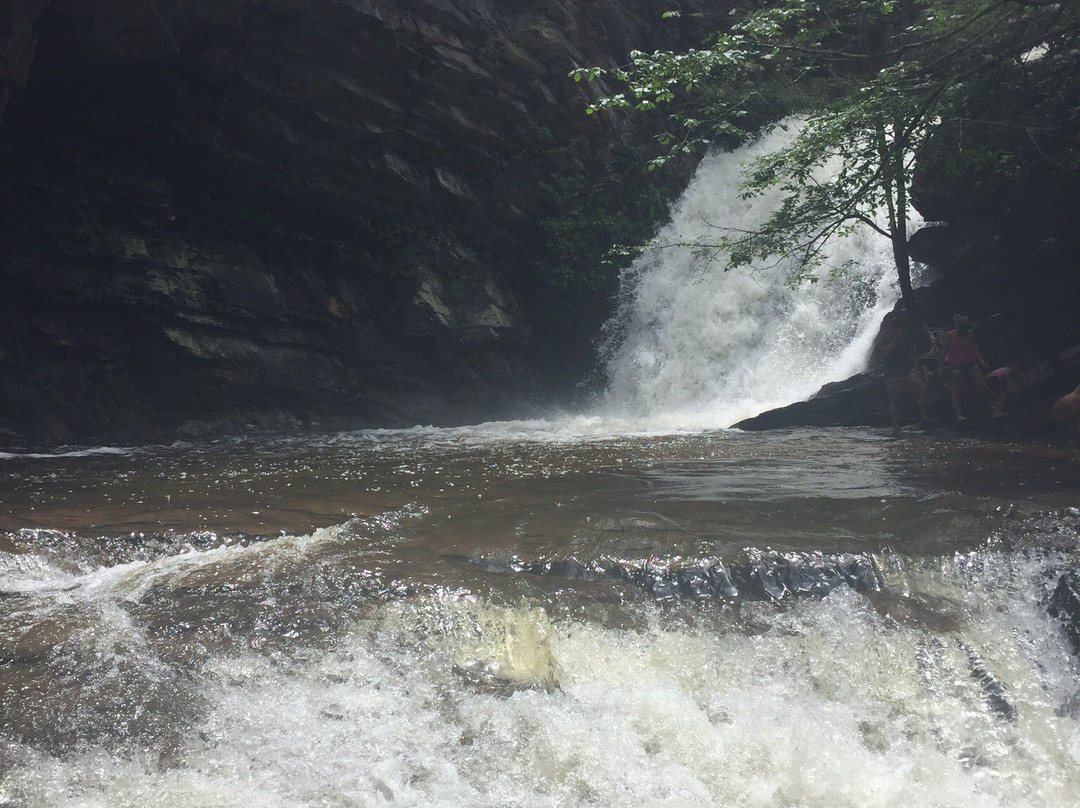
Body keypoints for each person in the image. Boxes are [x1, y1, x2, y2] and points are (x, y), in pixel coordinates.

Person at [878, 312, 929, 435]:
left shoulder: (905, 337)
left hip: (905, 370)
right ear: (890, 326)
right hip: (892, 373)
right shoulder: (885, 337)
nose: (896, 328)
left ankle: (923, 416)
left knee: (923, 388)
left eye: (898, 326)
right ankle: (896, 426)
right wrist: (895, 339)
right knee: (893, 398)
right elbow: (884, 352)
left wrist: (917, 370)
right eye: (894, 326)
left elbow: (911, 355)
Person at [940, 314, 990, 422]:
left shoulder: (969, 335)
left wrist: (981, 360)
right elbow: (943, 351)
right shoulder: (949, 335)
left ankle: (987, 406)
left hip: (970, 363)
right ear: (957, 326)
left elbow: (974, 347)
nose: (964, 331)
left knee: (982, 384)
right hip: (955, 365)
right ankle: (959, 415)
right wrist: (940, 367)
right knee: (957, 390)